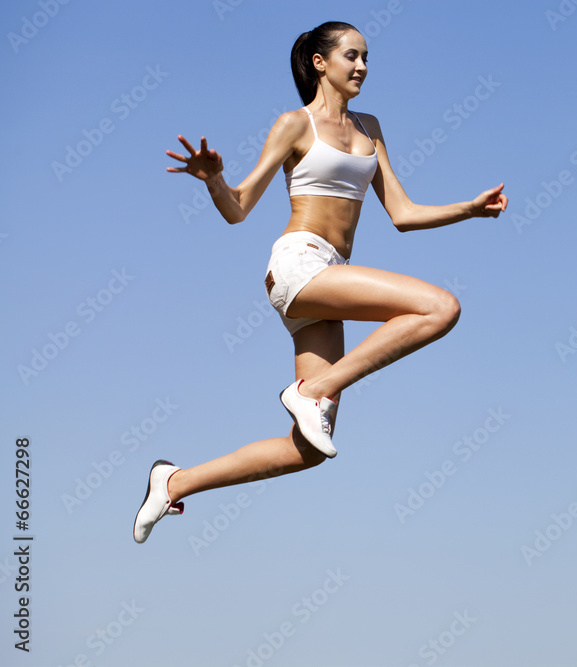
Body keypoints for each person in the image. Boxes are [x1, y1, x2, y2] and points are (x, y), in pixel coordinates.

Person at [134, 21, 507, 543]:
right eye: (352, 55)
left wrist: (467, 209)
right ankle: (315, 390)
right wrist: (214, 179)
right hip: (300, 263)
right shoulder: (295, 124)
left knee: (306, 451)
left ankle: (174, 481)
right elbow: (238, 209)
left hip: (328, 280)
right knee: (440, 307)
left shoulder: (370, 127)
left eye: (367, 58)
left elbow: (401, 212)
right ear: (320, 62)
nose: (362, 67)